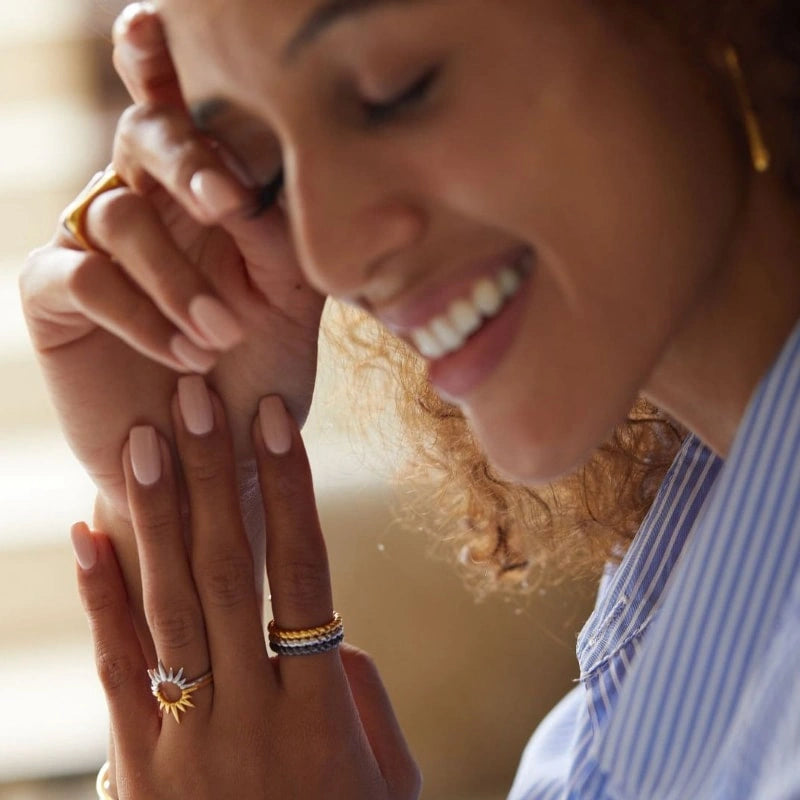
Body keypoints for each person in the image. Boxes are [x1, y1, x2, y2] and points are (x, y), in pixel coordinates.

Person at [19, 0, 800, 796]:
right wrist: (196, 465)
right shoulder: (696, 563)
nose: (327, 255)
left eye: (396, 92)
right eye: (265, 174)